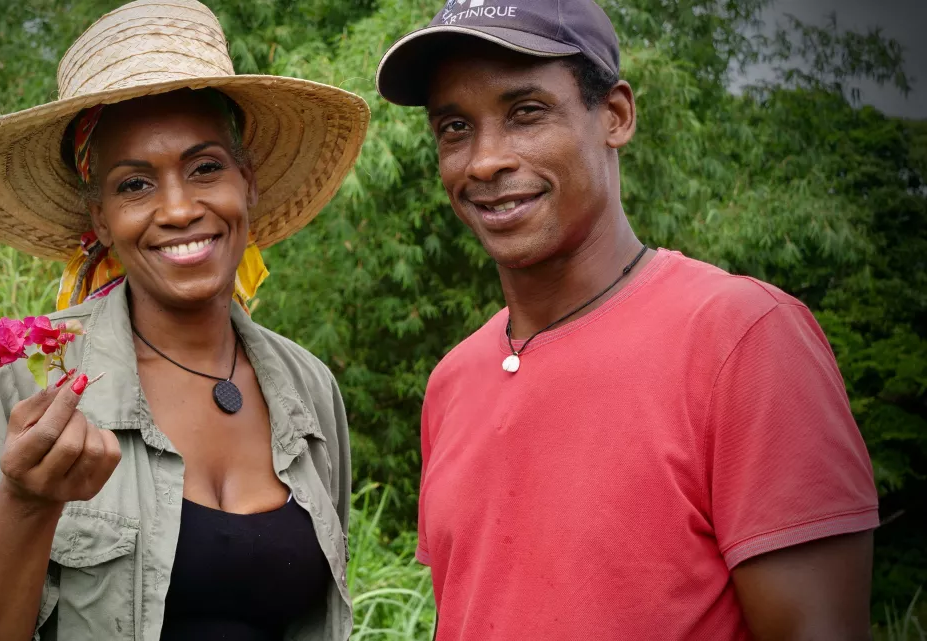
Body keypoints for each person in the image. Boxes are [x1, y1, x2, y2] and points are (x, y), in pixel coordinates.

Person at [375, 1, 878, 639]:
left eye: (525, 113)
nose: (484, 161)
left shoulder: (744, 339)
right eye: (454, 127)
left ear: (614, 115)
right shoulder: (452, 380)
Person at [0, 2, 369, 640]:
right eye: (135, 185)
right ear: (101, 220)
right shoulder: (27, 383)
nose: (177, 208)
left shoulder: (309, 390)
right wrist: (27, 503)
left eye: (205, 168)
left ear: (246, 184)